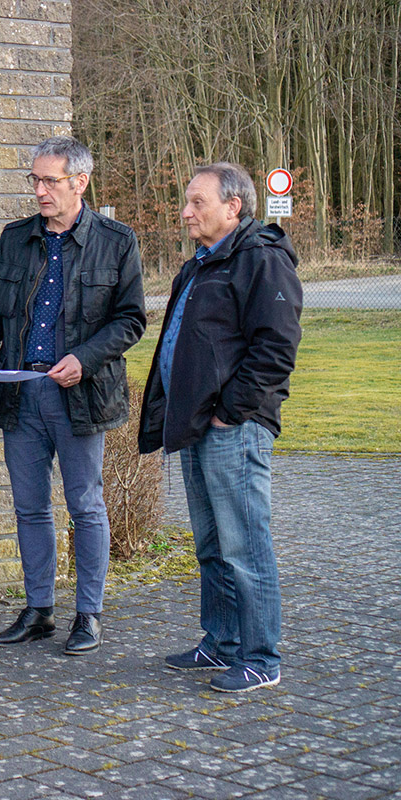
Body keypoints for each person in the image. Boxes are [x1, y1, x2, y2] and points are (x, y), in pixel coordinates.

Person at [0, 136, 145, 655]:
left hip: (81, 394)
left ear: (80, 182)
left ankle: (89, 615)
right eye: (34, 180)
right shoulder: (16, 239)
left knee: (86, 506)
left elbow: (131, 320)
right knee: (30, 508)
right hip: (21, 393)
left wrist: (85, 358)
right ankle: (38, 611)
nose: (38, 190)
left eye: (49, 181)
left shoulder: (117, 241)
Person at [138, 162, 302, 693]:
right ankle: (222, 644)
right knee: (211, 543)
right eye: (187, 202)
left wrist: (230, 411)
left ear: (234, 207)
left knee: (245, 545)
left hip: (234, 427)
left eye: (197, 202)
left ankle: (260, 658)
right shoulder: (202, 263)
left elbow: (275, 350)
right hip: (197, 426)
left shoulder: (261, 260)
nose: (186, 212)